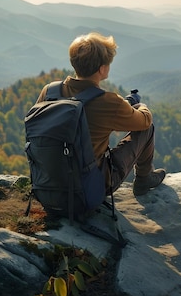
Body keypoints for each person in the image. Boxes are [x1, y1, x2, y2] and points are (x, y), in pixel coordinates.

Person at [36, 32, 166, 196]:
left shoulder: (49, 91)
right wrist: (141, 106)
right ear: (102, 69)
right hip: (90, 188)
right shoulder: (108, 101)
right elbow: (145, 121)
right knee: (147, 128)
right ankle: (143, 179)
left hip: (48, 184)